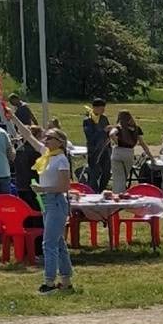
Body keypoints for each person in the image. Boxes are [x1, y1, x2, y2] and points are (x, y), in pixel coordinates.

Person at [36, 127, 75, 294]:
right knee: (58, 243)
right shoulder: (47, 155)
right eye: (45, 137)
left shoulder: (61, 160)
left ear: (60, 142)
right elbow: (28, 136)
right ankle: (66, 281)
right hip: (46, 202)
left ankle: (49, 282)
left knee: (49, 244)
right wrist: (12, 118)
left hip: (56, 202)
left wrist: (42, 189)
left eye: (50, 137)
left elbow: (64, 187)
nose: (46, 140)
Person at [82, 100, 112, 195]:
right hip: (94, 150)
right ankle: (93, 192)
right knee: (94, 173)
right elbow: (90, 136)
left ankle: (102, 190)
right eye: (101, 108)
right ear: (95, 108)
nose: (103, 110)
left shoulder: (104, 118)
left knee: (107, 172)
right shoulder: (88, 120)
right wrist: (103, 131)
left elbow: (108, 133)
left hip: (105, 149)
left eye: (104, 108)